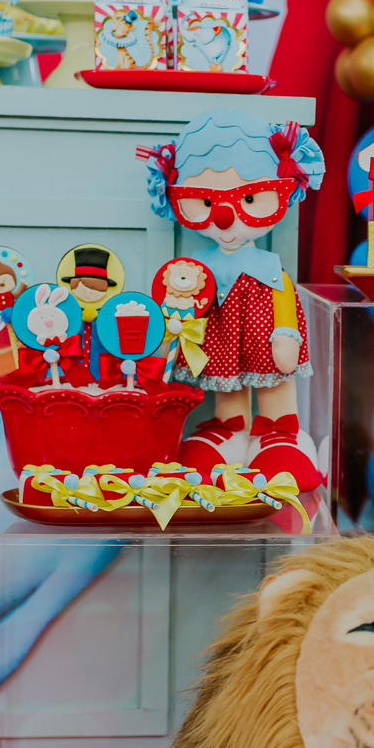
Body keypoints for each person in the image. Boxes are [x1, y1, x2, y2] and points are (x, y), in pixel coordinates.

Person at [140, 109, 324, 491]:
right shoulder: (194, 270)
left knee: (275, 381)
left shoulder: (268, 266)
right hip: (221, 337)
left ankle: (279, 429)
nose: (224, 217)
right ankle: (230, 428)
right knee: (226, 386)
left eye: (250, 198)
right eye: (202, 201)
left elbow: (283, 297)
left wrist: (286, 332)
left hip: (267, 337)